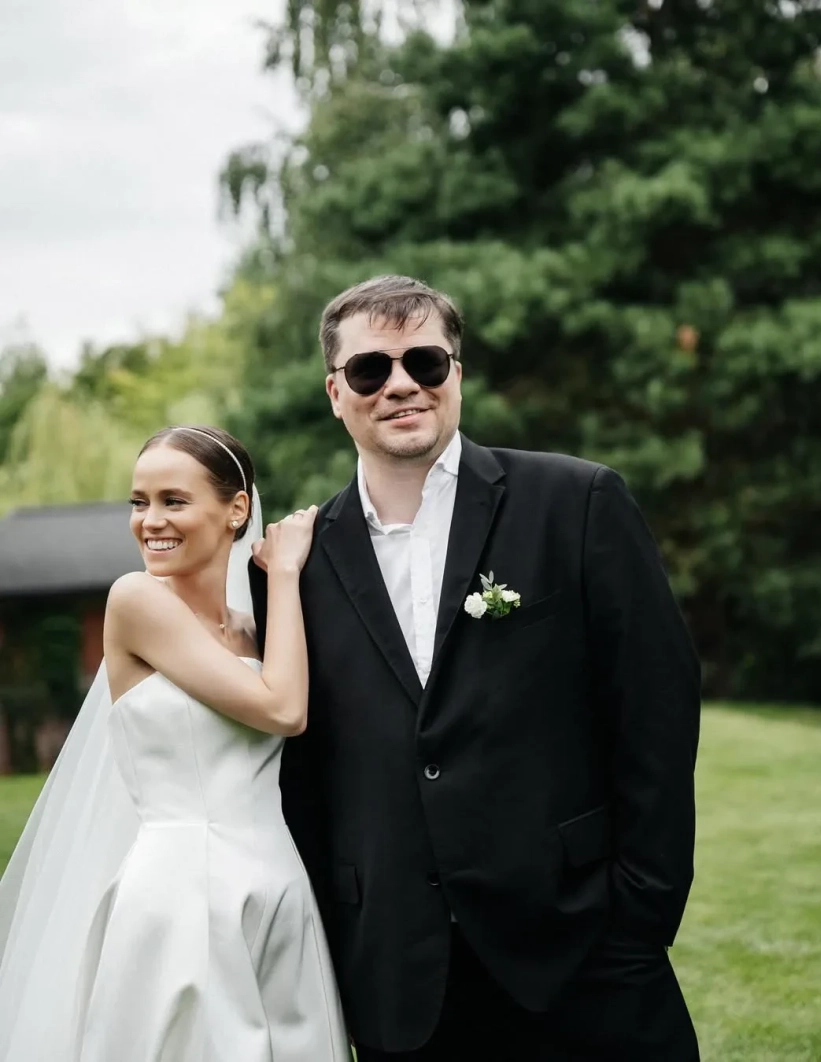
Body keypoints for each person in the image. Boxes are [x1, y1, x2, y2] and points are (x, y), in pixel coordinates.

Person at [249, 275, 702, 1061]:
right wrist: (341, 955)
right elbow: (302, 780)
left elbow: (656, 714)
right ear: (335, 392)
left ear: (456, 374)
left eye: (425, 362)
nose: (400, 385)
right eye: (370, 369)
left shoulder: (577, 502)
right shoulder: (295, 566)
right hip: (399, 981)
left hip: (585, 955)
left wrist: (640, 917)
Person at [0, 425, 350, 1062]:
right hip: (183, 892)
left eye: (174, 500)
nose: (150, 521)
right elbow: (283, 708)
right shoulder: (136, 601)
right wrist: (286, 573)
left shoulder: (256, 631)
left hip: (278, 885)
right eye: (139, 502)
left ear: (236, 509)